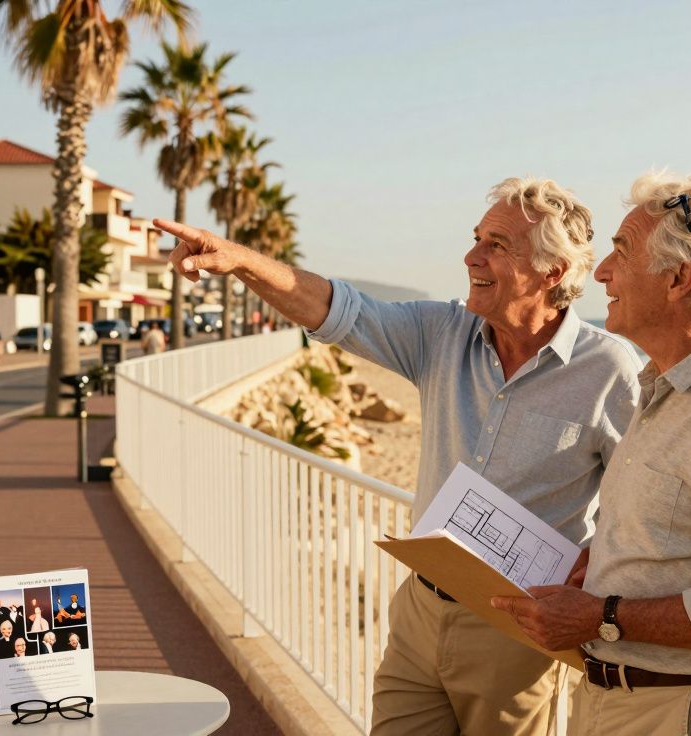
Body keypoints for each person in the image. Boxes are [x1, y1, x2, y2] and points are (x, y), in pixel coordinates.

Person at [155, 176, 642, 736]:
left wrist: (593, 572)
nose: (471, 256)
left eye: (497, 245)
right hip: (419, 611)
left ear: (552, 272)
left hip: (520, 635)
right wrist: (241, 261)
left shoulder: (610, 370)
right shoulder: (441, 333)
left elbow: (640, 505)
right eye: (477, 238)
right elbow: (338, 308)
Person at [492, 172, 691, 736]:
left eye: (621, 252)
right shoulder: (663, 388)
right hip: (626, 702)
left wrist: (602, 616)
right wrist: (601, 560)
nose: (601, 272)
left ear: (679, 279)